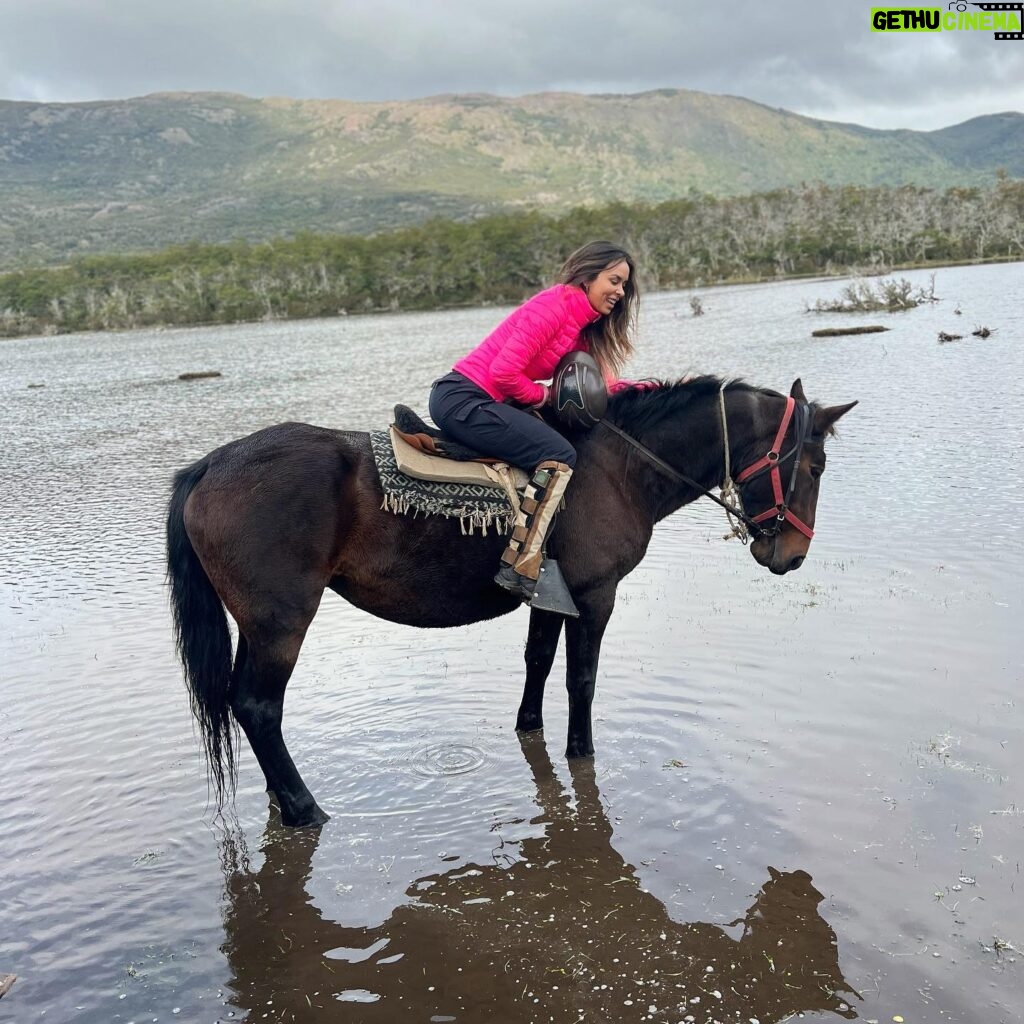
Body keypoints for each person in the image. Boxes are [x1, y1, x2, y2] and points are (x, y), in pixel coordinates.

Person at [428, 240, 643, 611]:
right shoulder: (552, 307)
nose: (620, 293)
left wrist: (655, 391)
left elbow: (602, 387)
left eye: (624, 285)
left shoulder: (582, 327)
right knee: (559, 453)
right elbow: (504, 372)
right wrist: (542, 397)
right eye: (614, 281)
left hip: (489, 402)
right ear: (588, 277)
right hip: (463, 398)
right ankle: (521, 563)